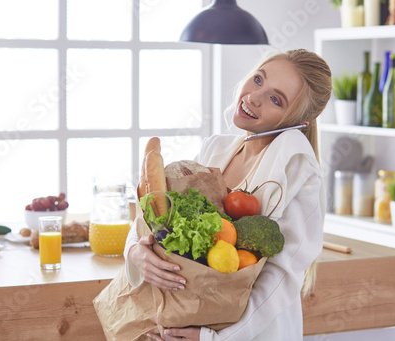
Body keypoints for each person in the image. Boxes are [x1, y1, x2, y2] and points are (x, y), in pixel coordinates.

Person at [124, 48, 332, 340]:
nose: (253, 97)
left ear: (299, 122)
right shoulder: (214, 150)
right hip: (189, 321)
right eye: (258, 80)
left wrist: (215, 338)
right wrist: (135, 251)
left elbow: (281, 277)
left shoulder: (296, 170)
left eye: (275, 99)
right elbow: (157, 212)